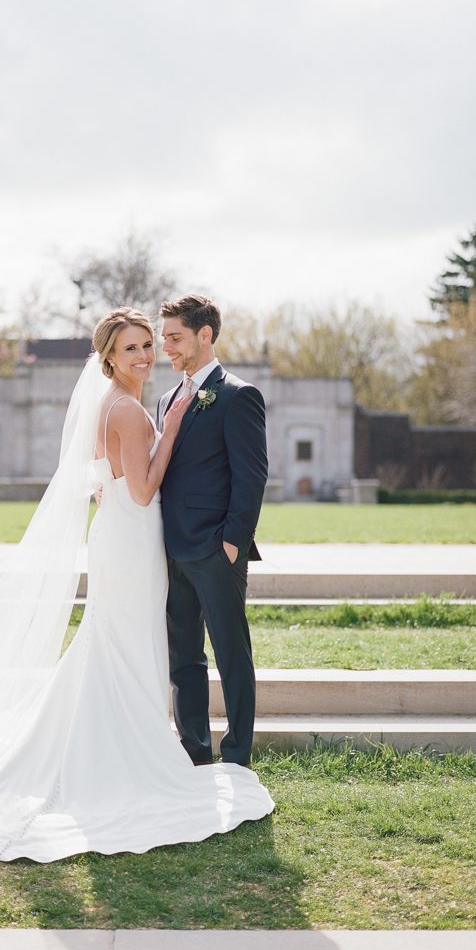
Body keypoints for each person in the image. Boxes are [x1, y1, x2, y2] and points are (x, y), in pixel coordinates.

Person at [0, 307, 273, 862]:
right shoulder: (138, 406)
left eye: (153, 343)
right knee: (133, 647)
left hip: (156, 542)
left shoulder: (173, 397)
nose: (149, 354)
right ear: (108, 358)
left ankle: (200, 749)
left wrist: (226, 536)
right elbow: (144, 489)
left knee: (138, 645)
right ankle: (143, 749)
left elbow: (225, 472)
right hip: (136, 540)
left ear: (202, 336)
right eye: (135, 348)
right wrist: (166, 433)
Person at [158, 295, 267, 768]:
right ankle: (194, 752)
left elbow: (252, 475)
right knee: (184, 656)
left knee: (230, 653)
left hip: (216, 549)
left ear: (205, 335)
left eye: (175, 338)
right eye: (164, 339)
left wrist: (232, 542)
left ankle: (237, 754)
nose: (167, 348)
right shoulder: (165, 398)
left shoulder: (238, 395)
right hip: (169, 550)